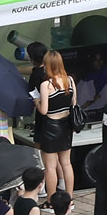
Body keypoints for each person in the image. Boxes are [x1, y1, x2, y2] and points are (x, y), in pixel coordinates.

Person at [32, 50, 77, 197]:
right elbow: (74, 103)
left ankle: (51, 200)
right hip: (66, 125)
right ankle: (70, 198)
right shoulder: (70, 80)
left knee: (50, 167)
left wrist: (36, 101)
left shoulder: (46, 84)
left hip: (51, 125)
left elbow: (44, 110)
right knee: (66, 163)